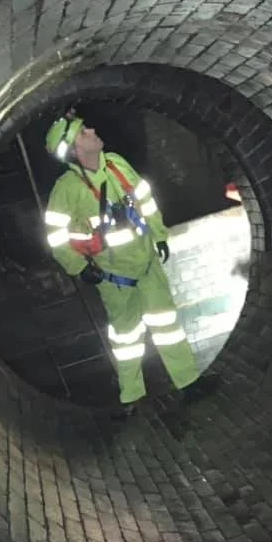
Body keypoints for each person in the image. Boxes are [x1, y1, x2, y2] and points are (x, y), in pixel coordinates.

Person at [43, 110, 200, 410]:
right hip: (114, 278)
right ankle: (131, 396)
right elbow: (55, 238)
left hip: (147, 263)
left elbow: (144, 199)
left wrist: (159, 234)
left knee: (167, 325)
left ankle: (189, 381)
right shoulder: (66, 191)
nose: (92, 130)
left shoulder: (116, 163)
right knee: (127, 338)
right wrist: (79, 267)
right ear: (75, 150)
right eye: (83, 131)